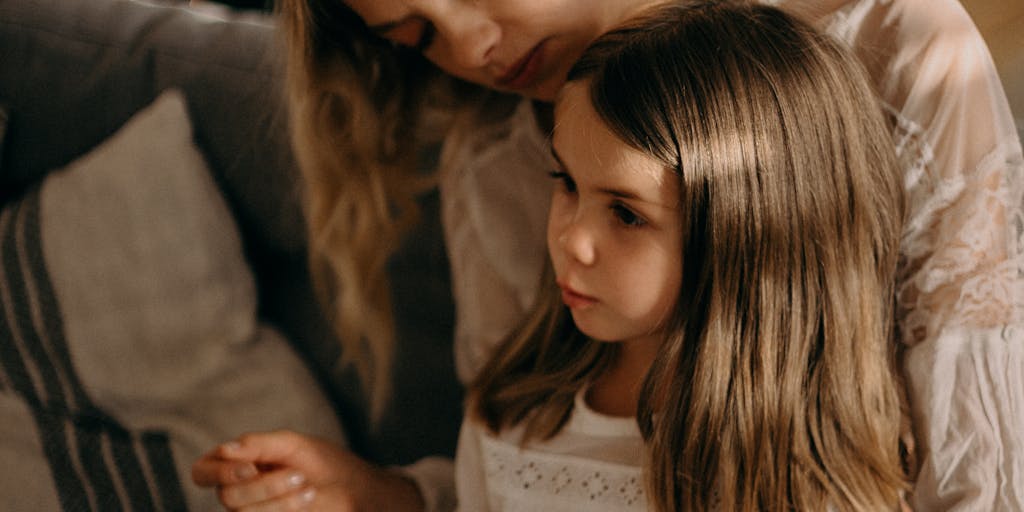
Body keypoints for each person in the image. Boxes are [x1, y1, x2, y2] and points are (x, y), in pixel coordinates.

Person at [191, 0, 1024, 510]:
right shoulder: (492, 149)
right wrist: (392, 500)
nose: (472, 46)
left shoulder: (899, 51)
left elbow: (980, 482)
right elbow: (529, 465)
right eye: (416, 35)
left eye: (627, 212)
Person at [458, 2, 909, 510]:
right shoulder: (510, 416)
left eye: (626, 214)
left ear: (749, 235)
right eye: (566, 184)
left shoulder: (806, 481)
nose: (571, 241)